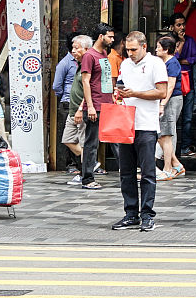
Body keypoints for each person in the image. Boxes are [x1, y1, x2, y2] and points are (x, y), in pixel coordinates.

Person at [110, 31, 169, 232]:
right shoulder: (125, 64)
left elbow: (162, 91)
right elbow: (121, 86)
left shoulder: (156, 64)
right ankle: (131, 213)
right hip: (126, 122)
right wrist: (118, 94)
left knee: (147, 173)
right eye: (127, 49)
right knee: (125, 172)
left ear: (144, 46)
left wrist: (136, 94)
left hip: (146, 124)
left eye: (134, 49)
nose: (130, 53)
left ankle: (147, 214)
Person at [79, 23, 117, 190]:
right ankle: (87, 178)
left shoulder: (103, 54)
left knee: (117, 140)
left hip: (108, 103)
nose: (112, 39)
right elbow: (85, 82)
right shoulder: (90, 55)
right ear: (101, 37)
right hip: (96, 105)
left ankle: (128, 173)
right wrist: (90, 106)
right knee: (91, 143)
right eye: (110, 36)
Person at [170, 12, 196, 157]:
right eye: (178, 25)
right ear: (172, 27)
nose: (182, 27)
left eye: (183, 24)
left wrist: (182, 59)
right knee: (172, 117)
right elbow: (174, 58)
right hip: (174, 82)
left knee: (188, 116)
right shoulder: (169, 41)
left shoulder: (191, 40)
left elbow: (194, 59)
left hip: (187, 80)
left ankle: (185, 147)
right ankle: (170, 149)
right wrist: (181, 43)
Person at [58, 35, 91, 177]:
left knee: (84, 142)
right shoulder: (76, 64)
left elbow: (90, 90)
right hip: (72, 109)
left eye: (77, 48)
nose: (73, 51)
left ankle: (86, 174)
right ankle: (90, 162)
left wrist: (80, 109)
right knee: (67, 139)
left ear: (87, 49)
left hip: (80, 110)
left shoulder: (88, 65)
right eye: (73, 48)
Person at [155, 36, 185, 181]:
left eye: (159, 47)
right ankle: (176, 164)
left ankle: (168, 168)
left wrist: (163, 103)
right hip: (166, 100)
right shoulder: (163, 63)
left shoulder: (172, 63)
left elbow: (171, 86)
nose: (156, 50)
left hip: (171, 100)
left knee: (166, 134)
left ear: (166, 49)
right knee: (162, 134)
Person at [52, 35, 83, 173]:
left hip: (80, 104)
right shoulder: (65, 63)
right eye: (75, 47)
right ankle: (72, 165)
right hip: (67, 103)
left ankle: (84, 163)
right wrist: (66, 97)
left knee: (80, 136)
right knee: (69, 136)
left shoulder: (83, 62)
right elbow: (57, 86)